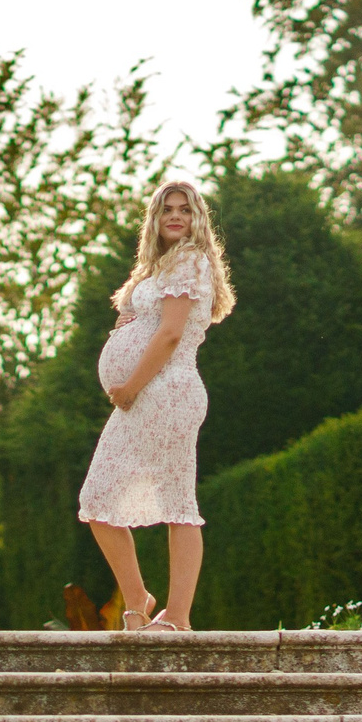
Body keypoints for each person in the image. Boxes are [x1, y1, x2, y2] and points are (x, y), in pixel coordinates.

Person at [75, 177, 237, 631]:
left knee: (178, 502)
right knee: (97, 498)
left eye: (185, 209)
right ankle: (137, 601)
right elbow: (150, 322)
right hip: (148, 395)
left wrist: (129, 386)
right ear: (155, 217)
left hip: (168, 391)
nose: (175, 216)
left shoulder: (189, 260)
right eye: (168, 209)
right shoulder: (159, 266)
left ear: (197, 218)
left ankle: (178, 616)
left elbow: (169, 334)